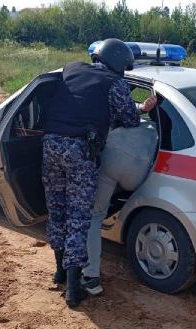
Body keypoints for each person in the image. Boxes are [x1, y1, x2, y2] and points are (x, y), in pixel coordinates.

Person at [42, 38, 157, 308]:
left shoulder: (70, 68)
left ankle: (59, 271)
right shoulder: (114, 83)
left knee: (57, 211)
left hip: (50, 145)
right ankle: (73, 289)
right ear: (118, 64)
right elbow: (129, 119)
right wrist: (141, 108)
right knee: (79, 218)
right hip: (80, 152)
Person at [82, 120, 159, 295]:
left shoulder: (127, 118)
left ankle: (91, 275)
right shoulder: (155, 129)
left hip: (113, 157)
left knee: (95, 215)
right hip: (140, 171)